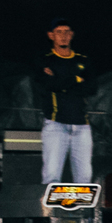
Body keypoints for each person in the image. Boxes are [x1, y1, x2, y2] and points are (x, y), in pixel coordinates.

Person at [39, 18, 95, 185]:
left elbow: (92, 87)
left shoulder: (82, 59)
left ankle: (80, 204)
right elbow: (50, 85)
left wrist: (61, 80)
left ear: (72, 35)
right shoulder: (46, 59)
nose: (63, 36)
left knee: (84, 177)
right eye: (59, 32)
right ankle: (49, 204)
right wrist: (77, 79)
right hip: (56, 124)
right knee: (52, 176)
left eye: (66, 32)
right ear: (51, 35)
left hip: (82, 125)